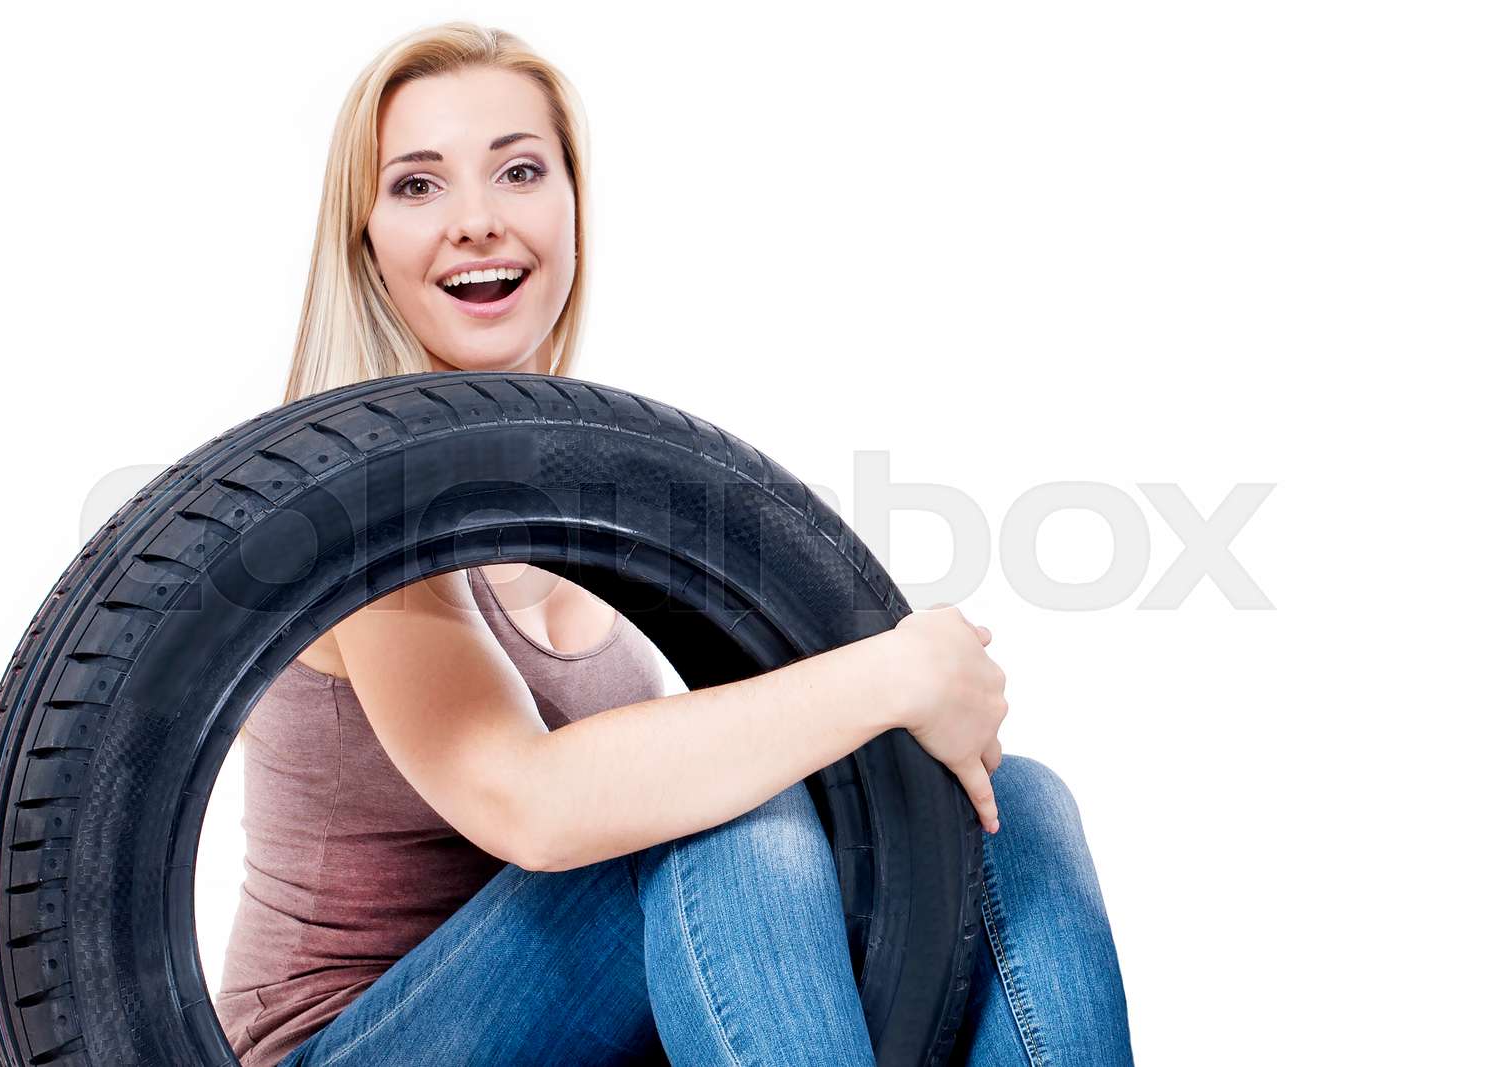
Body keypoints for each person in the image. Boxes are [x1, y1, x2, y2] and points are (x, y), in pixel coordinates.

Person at [213, 21, 1133, 1067]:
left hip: (588, 1027)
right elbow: (530, 801)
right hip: (349, 1043)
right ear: (363, 235)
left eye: (519, 170)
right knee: (714, 812)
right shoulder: (348, 502)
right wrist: (894, 672)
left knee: (1014, 804)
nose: (477, 220)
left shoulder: (590, 506)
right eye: (417, 186)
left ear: (571, 206)